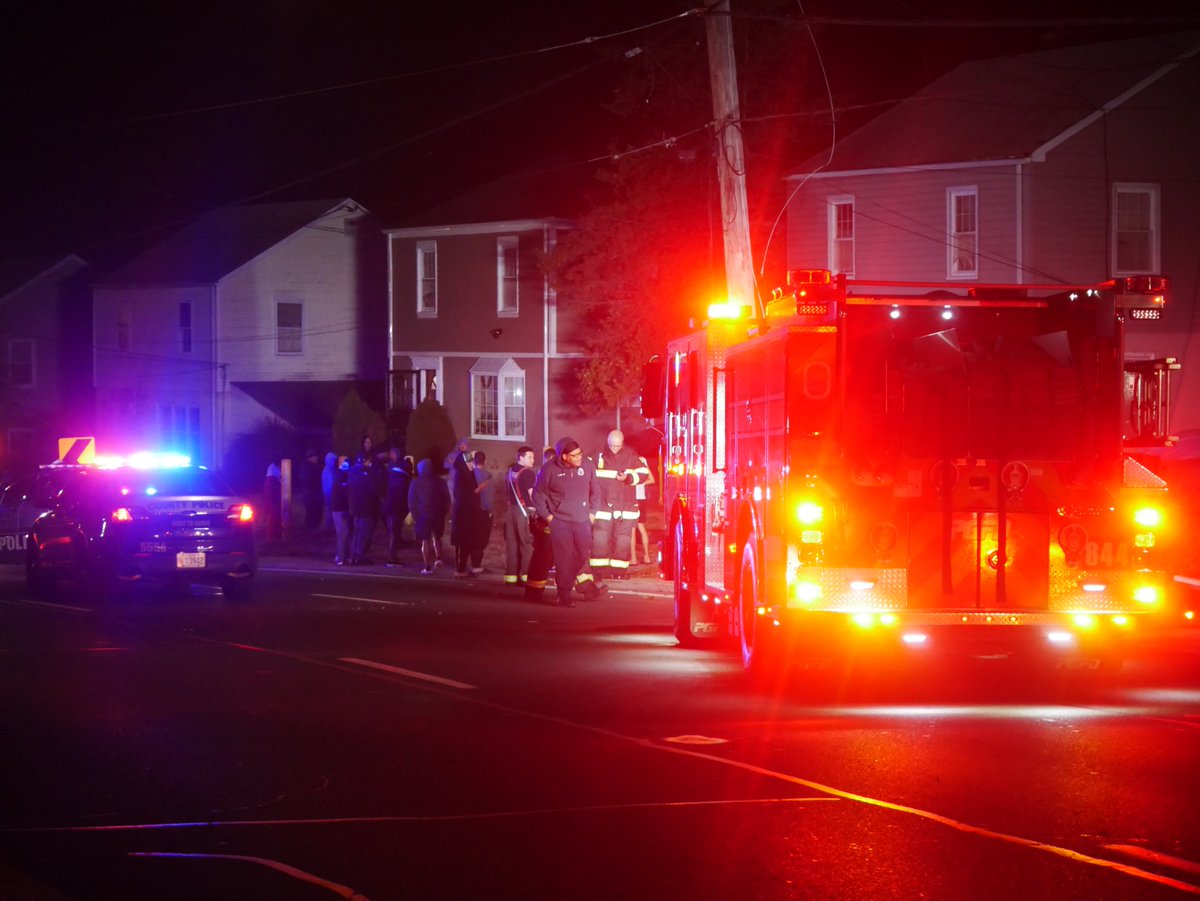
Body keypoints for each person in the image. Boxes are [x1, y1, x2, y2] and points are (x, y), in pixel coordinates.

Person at [532, 437, 605, 607]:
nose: (580, 457)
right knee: (563, 559)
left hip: (583, 521)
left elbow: (596, 492)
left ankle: (567, 584)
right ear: (564, 457)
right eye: (575, 455)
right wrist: (549, 518)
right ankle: (564, 596)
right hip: (561, 523)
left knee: (581, 556)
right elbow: (538, 495)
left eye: (580, 453)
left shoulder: (587, 465)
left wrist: (592, 514)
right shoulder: (549, 470)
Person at [591, 429, 651, 582]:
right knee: (600, 540)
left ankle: (619, 572)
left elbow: (644, 473)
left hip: (625, 507)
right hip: (603, 507)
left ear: (622, 443)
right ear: (608, 442)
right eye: (612, 446)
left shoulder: (631, 454)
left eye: (618, 446)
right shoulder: (598, 455)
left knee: (623, 541)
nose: (615, 449)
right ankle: (600, 571)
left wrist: (628, 478)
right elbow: (587, 476)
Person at [523, 447, 557, 602]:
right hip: (547, 522)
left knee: (542, 557)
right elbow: (542, 498)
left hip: (544, 521)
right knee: (543, 557)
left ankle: (533, 590)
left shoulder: (542, 473)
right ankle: (534, 591)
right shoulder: (548, 474)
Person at [408, 457, 450, 574]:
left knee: (425, 541)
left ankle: (427, 567)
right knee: (437, 537)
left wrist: (416, 516)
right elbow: (447, 499)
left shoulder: (415, 483)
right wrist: (444, 513)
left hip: (423, 515)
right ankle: (439, 559)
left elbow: (411, 501)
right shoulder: (440, 481)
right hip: (438, 514)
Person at [503, 446, 537, 586]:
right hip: (524, 512)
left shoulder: (510, 471)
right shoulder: (528, 473)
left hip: (511, 511)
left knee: (512, 544)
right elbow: (532, 494)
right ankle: (526, 575)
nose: (533, 460)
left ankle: (511, 576)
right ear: (521, 457)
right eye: (530, 457)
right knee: (527, 544)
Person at [450, 449, 482, 577]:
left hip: (470, 513)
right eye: (469, 461)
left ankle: (468, 567)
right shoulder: (460, 475)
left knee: (469, 542)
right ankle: (460, 569)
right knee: (462, 543)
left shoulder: (470, 474)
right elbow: (460, 494)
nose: (472, 464)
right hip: (463, 514)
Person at [347, 451, 381, 564]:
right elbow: (374, 492)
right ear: (366, 461)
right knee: (363, 534)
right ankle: (360, 557)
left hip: (354, 509)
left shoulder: (351, 472)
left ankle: (353, 556)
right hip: (366, 509)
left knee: (356, 533)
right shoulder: (366, 474)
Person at [384, 450, 414, 565]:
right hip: (395, 510)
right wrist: (405, 510)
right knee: (394, 534)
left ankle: (392, 557)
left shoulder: (393, 476)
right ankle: (392, 559)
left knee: (393, 533)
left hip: (390, 509)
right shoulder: (402, 480)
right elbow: (402, 498)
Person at [470, 450, 493, 573]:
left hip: (470, 511)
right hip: (483, 512)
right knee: (481, 539)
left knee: (471, 537)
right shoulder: (488, 476)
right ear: (485, 462)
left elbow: (458, 462)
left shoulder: (467, 474)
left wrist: (469, 455)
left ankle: (465, 564)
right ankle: (476, 564)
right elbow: (488, 496)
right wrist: (490, 511)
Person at [631, 454, 655, 565]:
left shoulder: (628, 460)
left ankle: (633, 559)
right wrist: (641, 483)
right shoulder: (642, 460)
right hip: (642, 499)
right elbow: (652, 479)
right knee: (641, 527)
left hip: (632, 499)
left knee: (631, 530)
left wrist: (633, 484)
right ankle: (647, 557)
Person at [330, 456, 352, 565]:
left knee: (345, 532)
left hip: (343, 508)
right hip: (339, 508)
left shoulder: (343, 475)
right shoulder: (338, 475)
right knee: (342, 532)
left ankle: (343, 555)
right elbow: (340, 491)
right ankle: (340, 557)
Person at [299, 448, 323, 531]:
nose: (316, 458)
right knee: (312, 513)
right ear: (310, 458)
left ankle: (310, 530)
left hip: (311, 494)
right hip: (311, 495)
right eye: (315, 457)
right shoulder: (309, 468)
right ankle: (310, 531)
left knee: (312, 513)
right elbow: (312, 481)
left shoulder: (308, 467)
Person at [263, 461, 282, 545]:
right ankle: (271, 541)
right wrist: (273, 507)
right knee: (272, 521)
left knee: (274, 521)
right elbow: (271, 495)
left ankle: (273, 540)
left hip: (272, 505)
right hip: (273, 505)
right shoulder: (272, 481)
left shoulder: (272, 480)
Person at [321, 451, 338, 532]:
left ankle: (330, 527)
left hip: (329, 492)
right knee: (330, 510)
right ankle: (328, 528)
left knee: (330, 510)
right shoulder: (329, 471)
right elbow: (331, 482)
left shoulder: (329, 469)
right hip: (330, 493)